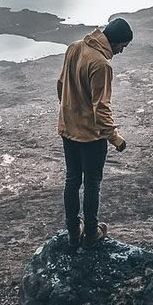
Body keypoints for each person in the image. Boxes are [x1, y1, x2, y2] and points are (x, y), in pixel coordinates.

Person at [56, 15, 133, 248]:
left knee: (72, 180)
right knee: (92, 183)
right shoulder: (101, 64)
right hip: (91, 136)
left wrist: (70, 113)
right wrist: (116, 138)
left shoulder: (75, 47)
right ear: (116, 41)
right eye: (123, 46)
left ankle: (72, 231)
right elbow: (101, 108)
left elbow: (61, 85)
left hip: (68, 130)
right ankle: (90, 233)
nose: (121, 51)